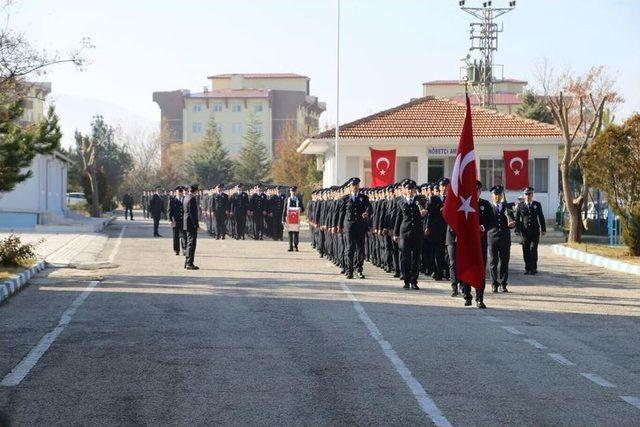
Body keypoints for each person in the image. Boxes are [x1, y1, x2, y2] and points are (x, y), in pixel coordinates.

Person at [461, 180, 496, 308]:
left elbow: (492, 222)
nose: (475, 192)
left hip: (480, 242)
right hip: (467, 242)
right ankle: (467, 295)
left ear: (480, 191)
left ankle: (479, 298)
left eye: (477, 190)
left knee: (480, 271)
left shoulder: (485, 205)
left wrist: (483, 226)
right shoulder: (464, 204)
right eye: (473, 190)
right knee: (467, 268)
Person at [393, 180, 426, 290]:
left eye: (412, 189)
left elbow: (425, 213)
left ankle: (414, 281)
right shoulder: (400, 202)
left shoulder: (420, 201)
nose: (411, 191)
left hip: (417, 233)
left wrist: (423, 213)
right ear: (405, 190)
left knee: (416, 258)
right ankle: (406, 280)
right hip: (405, 233)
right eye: (409, 189)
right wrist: (396, 233)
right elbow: (398, 218)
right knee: (405, 258)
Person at [338, 177, 372, 279]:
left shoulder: (364, 198)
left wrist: (367, 213)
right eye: (353, 185)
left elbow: (369, 208)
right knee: (350, 249)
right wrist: (339, 226)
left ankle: (359, 269)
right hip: (349, 226)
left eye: (357, 185)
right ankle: (349, 270)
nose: (355, 187)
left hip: (361, 226)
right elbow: (341, 213)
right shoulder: (345, 199)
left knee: (360, 249)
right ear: (350, 187)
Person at [488, 185, 516, 293]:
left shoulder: (507, 207)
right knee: (493, 261)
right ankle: (494, 284)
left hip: (505, 238)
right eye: (495, 194)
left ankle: (503, 284)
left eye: (499, 194)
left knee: (504, 261)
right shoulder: (489, 207)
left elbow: (512, 222)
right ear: (492, 196)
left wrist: (512, 224)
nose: (497, 196)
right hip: (492, 238)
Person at [515, 186, 546, 275]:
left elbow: (541, 217)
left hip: (535, 231)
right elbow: (517, 218)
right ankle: (527, 268)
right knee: (526, 250)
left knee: (533, 249)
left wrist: (543, 229)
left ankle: (533, 268)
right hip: (525, 232)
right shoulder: (520, 205)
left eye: (530, 194)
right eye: (526, 194)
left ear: (532, 195)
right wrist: (517, 229)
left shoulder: (537, 204)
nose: (528, 196)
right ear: (524, 195)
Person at [183, 184, 200, 270]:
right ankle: (189, 263)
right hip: (191, 224)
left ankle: (187, 262)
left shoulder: (186, 197)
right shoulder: (192, 199)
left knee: (189, 243)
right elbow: (193, 214)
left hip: (187, 223)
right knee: (191, 244)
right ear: (196, 190)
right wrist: (196, 225)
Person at [283, 186, 305, 251]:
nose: (293, 193)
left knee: (296, 233)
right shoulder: (287, 199)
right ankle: (290, 247)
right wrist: (283, 219)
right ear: (290, 192)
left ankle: (295, 245)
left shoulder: (298, 199)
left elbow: (303, 209)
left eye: (294, 191)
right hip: (289, 219)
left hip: (296, 219)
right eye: (292, 191)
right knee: (290, 233)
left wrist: (300, 209)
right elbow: (284, 209)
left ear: (295, 192)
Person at [169, 186, 186, 256]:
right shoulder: (172, 200)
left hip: (183, 220)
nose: (180, 193)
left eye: (181, 192)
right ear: (176, 192)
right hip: (175, 221)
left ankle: (184, 249)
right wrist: (170, 220)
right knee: (176, 236)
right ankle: (176, 249)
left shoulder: (185, 199)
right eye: (179, 192)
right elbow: (169, 211)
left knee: (184, 236)